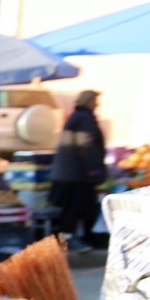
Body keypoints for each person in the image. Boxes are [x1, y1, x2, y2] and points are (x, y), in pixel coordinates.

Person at [51, 90, 108, 248]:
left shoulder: (77, 117)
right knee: (75, 208)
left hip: (69, 172)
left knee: (71, 208)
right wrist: (94, 167)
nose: (97, 104)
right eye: (95, 101)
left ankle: (67, 239)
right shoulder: (84, 118)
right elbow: (86, 144)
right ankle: (69, 240)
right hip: (76, 173)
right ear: (88, 101)